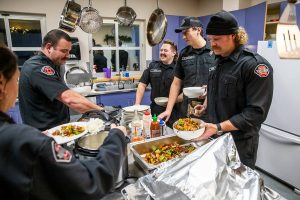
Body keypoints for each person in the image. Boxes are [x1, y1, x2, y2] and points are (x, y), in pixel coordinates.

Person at [0, 45, 128, 199]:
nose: (18, 84)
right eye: (16, 78)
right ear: (1, 83)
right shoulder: (23, 140)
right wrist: (117, 136)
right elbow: (89, 184)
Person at [193, 11, 273, 169]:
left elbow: (256, 113)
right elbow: (214, 87)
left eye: (217, 39)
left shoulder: (255, 66)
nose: (212, 44)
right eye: (210, 39)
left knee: (237, 188)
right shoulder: (217, 59)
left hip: (239, 143)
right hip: (215, 137)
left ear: (233, 36)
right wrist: (206, 105)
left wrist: (218, 127)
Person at [19, 29, 103, 131]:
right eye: (64, 51)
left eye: (69, 51)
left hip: (56, 129)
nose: (68, 55)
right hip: (43, 134)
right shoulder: (37, 67)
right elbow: (70, 99)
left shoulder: (52, 64)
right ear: (49, 47)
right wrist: (101, 111)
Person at [158, 17, 215, 122]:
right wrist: (168, 110)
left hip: (210, 107)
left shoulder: (214, 51)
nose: (184, 37)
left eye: (186, 32)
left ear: (198, 30)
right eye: (182, 34)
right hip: (187, 108)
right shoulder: (184, 54)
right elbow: (176, 83)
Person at [135, 40, 182, 127]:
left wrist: (171, 101)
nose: (162, 52)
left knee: (171, 136)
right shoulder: (153, 66)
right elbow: (142, 84)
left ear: (173, 53)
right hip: (155, 109)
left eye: (165, 50)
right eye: (161, 50)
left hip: (174, 110)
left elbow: (184, 92)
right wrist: (137, 105)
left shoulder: (180, 68)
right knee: (154, 132)